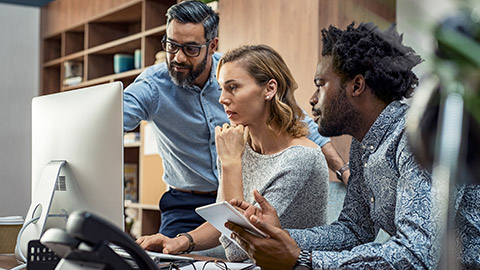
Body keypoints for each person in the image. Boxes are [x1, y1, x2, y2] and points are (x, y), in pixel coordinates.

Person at [225, 22, 441, 269]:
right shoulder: (363, 147)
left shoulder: (418, 137)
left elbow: (415, 256)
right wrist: (280, 236)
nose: (313, 99)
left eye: (320, 84)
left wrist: (303, 261)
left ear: (356, 86)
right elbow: (354, 231)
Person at [123, 0, 347, 238]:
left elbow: (302, 124)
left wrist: (343, 170)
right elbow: (110, 122)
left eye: (190, 49)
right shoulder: (152, 86)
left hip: (241, 195)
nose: (178, 57)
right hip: (185, 202)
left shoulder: (235, 71)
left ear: (212, 46)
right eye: (171, 45)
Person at [136, 44, 329, 262]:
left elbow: (238, 248)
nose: (222, 99)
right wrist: (181, 241)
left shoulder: (300, 157)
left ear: (269, 89)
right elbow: (223, 222)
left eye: (233, 87)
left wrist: (230, 163)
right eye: (221, 89)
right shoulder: (238, 145)